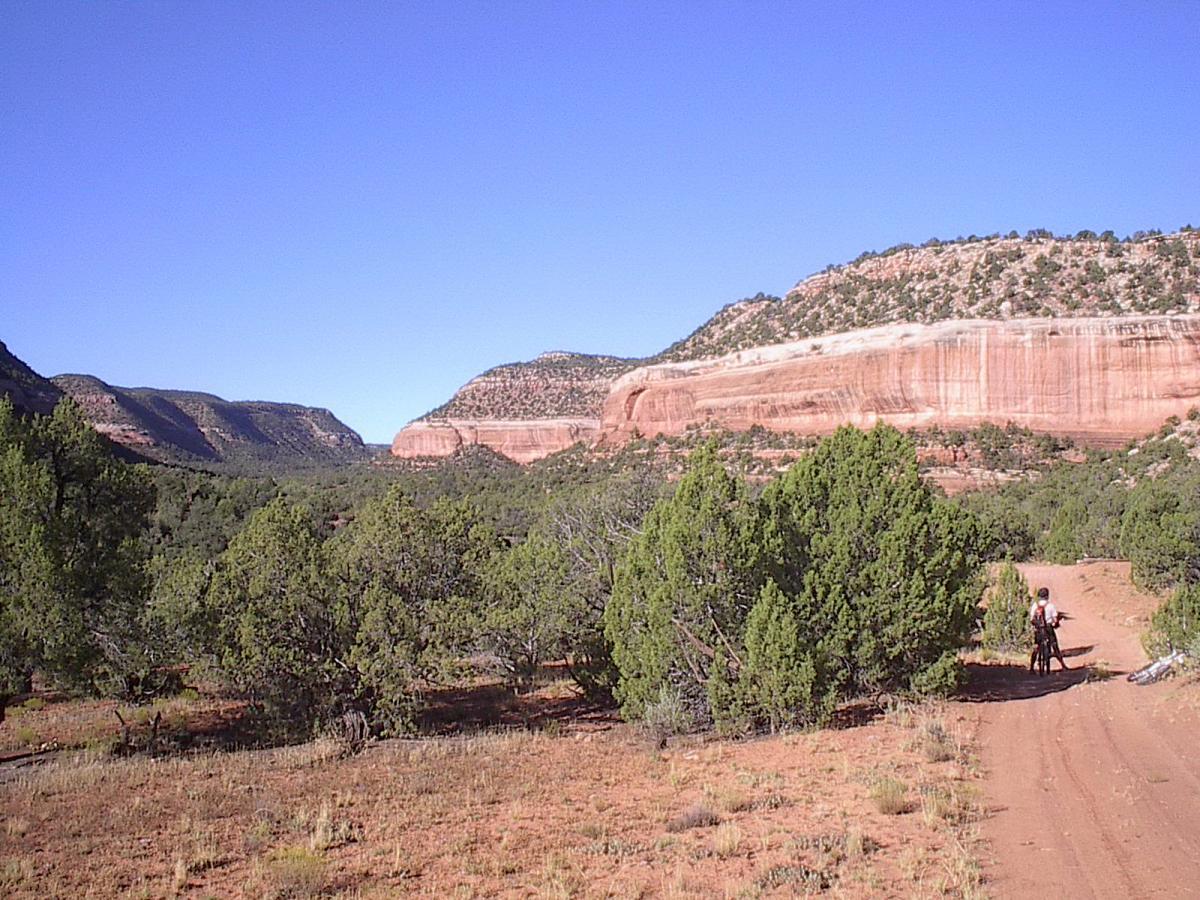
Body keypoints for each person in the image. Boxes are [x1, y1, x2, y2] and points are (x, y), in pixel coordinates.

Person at [1029, 586, 1069, 672]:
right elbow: (1055, 619)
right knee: (1054, 645)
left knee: (1036, 647)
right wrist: (1057, 624)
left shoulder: (1035, 605)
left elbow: (1031, 618)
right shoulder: (1051, 606)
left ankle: (1031, 668)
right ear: (1047, 596)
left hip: (1038, 629)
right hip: (1048, 627)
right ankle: (1063, 665)